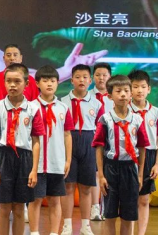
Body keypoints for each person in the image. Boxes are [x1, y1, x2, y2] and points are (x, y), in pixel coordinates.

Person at [0, 63, 44, 235]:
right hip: (4, 157)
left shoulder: (33, 109)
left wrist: (34, 170)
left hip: (25, 159)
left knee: (19, 207)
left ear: (26, 84)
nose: (12, 85)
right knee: (4, 208)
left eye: (17, 81)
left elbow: (36, 141)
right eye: (9, 81)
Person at [92, 75, 148, 235]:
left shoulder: (137, 119)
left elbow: (142, 147)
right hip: (111, 168)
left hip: (130, 168)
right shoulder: (105, 119)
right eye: (118, 91)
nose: (123, 94)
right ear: (110, 96)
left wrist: (140, 174)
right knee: (109, 214)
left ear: (131, 94)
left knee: (128, 215)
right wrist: (101, 175)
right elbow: (99, 147)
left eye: (126, 91)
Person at [28, 66, 74, 235]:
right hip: (36, 165)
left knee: (55, 200)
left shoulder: (63, 108)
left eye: (53, 81)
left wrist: (68, 160)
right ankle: (34, 232)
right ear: (37, 83)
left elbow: (67, 134)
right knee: (35, 200)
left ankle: (54, 232)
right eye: (45, 80)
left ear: (57, 83)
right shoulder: (30, 107)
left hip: (57, 163)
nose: (49, 84)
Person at [60, 64, 104, 235]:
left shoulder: (97, 103)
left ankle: (86, 225)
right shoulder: (62, 102)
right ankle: (67, 225)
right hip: (68, 141)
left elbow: (100, 128)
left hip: (88, 142)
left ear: (90, 80)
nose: (81, 80)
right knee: (68, 186)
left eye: (85, 77)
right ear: (71, 80)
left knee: (86, 187)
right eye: (77, 77)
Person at [129, 70, 158, 235]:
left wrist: (157, 163)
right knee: (129, 199)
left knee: (144, 199)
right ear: (129, 89)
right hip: (129, 157)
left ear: (149, 89)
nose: (139, 90)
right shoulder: (124, 111)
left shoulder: (156, 112)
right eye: (135, 86)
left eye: (143, 87)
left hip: (150, 156)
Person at [90, 62, 113, 222]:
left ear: (110, 77)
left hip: (111, 141)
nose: (101, 78)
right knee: (95, 174)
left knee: (108, 175)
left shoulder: (115, 97)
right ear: (93, 77)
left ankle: (107, 208)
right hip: (93, 141)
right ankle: (95, 207)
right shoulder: (88, 96)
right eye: (98, 75)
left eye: (104, 75)